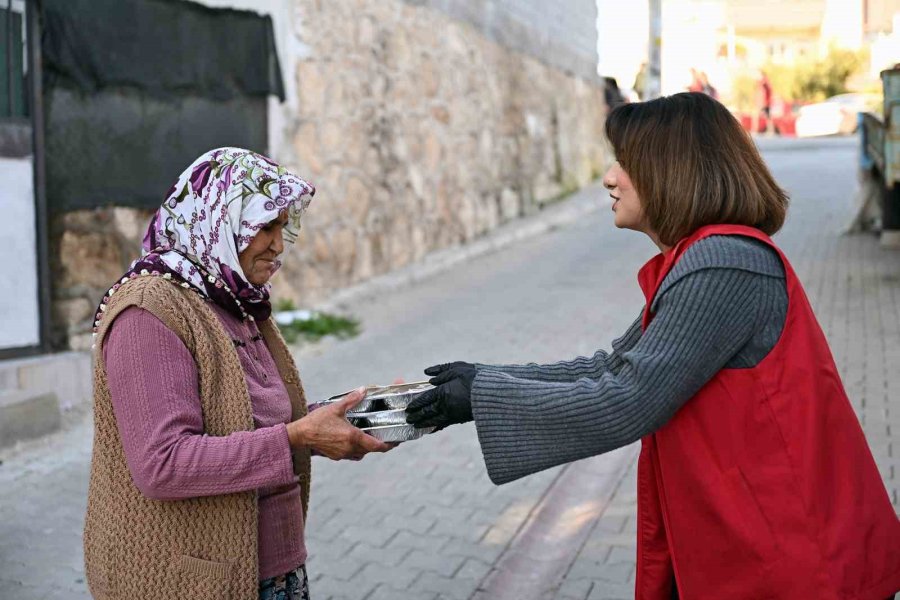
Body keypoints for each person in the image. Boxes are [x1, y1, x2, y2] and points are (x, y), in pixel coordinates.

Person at [406, 93, 900, 599]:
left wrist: (482, 398)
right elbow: (614, 368)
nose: (609, 178)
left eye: (625, 162)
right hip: (764, 540)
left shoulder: (724, 264)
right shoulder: (704, 257)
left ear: (671, 170)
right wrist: (481, 380)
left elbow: (627, 399)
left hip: (792, 555)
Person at [84, 147, 392, 600]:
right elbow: (162, 465)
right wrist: (300, 438)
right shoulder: (149, 311)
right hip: (193, 580)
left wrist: (351, 414)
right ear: (217, 218)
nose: (278, 244)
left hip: (273, 569)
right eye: (264, 226)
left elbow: (256, 422)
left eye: (283, 227)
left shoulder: (237, 302)